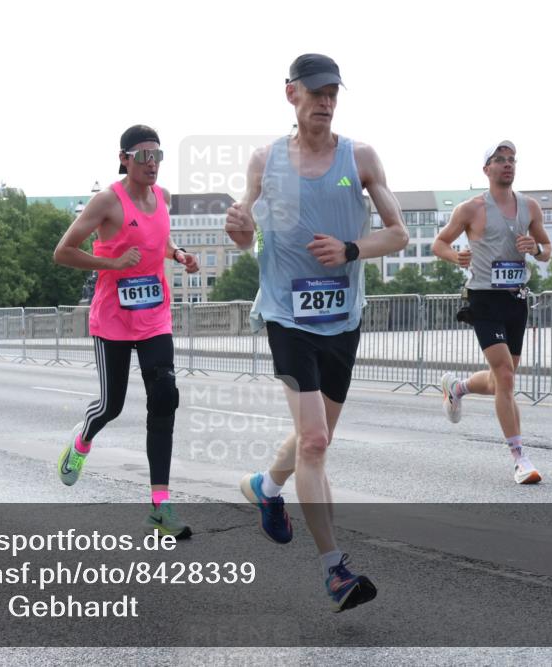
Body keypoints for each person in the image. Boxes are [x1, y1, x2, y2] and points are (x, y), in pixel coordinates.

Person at [225, 54, 408, 612]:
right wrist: (239, 229)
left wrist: (351, 249)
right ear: (292, 94)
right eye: (317, 92)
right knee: (315, 442)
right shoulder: (265, 161)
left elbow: (398, 234)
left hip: (342, 318)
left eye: (333, 93)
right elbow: (245, 233)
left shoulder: (361, 157)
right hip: (286, 316)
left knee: (316, 435)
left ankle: (265, 488)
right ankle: (335, 571)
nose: (326, 101)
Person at [53, 124, 199, 539]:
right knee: (111, 406)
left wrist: (179, 254)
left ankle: (160, 506)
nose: (152, 163)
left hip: (154, 317)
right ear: (124, 159)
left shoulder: (162, 198)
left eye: (158, 155)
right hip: (113, 320)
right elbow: (63, 252)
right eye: (144, 156)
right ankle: (82, 441)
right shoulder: (107, 202)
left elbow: (158, 241)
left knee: (165, 397)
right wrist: (112, 264)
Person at [433, 140, 552, 485]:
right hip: (484, 298)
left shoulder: (530, 206)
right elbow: (439, 243)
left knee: (503, 378)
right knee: (505, 375)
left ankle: (457, 387)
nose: (507, 164)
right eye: (500, 159)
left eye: (511, 159)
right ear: (487, 169)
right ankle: (520, 459)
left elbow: (547, 249)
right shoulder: (471, 209)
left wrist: (536, 249)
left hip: (516, 299)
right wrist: (455, 256)